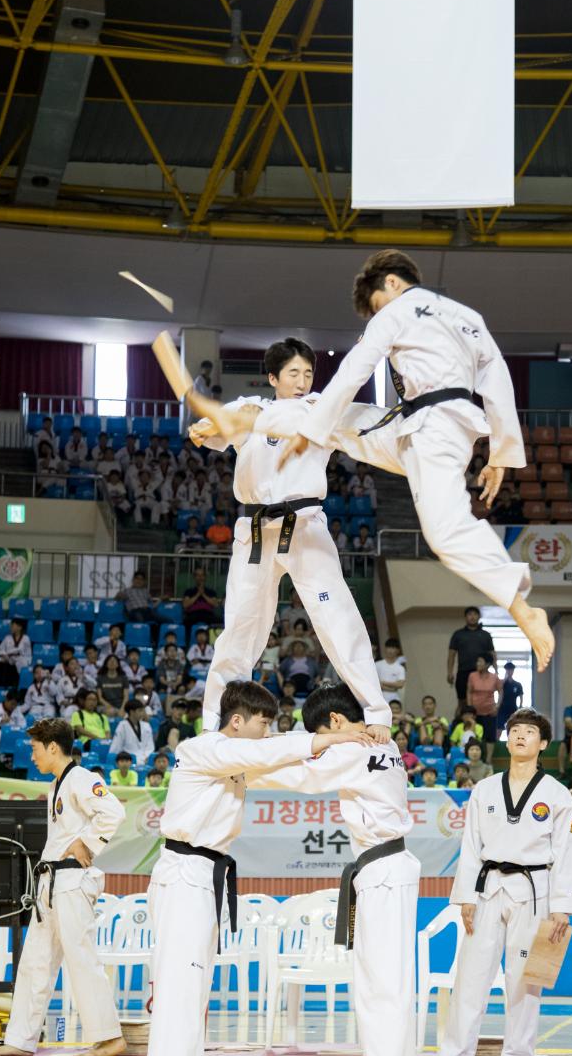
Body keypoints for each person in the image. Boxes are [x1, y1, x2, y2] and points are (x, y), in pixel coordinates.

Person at [243, 251, 553, 671]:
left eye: (374, 305)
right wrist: (500, 451)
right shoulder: (467, 315)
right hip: (423, 427)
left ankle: (520, 607)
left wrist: (313, 431)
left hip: (430, 427)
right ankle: (242, 420)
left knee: (444, 532)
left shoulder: (397, 310)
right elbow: (497, 379)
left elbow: (355, 370)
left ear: (390, 283)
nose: (376, 314)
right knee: (335, 418)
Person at [143, 680, 370, 1056]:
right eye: (263, 723)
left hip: (206, 876)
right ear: (236, 721)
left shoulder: (240, 759)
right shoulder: (201, 749)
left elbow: (296, 773)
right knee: (178, 985)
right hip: (184, 873)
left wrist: (347, 754)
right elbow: (268, 753)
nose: (268, 732)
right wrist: (332, 735)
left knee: (197, 986)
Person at [188, 337, 391, 744]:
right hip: (256, 530)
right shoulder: (249, 409)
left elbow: (370, 422)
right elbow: (208, 432)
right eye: (293, 374)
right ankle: (216, 721)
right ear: (272, 378)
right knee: (241, 626)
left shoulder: (322, 410)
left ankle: (375, 710)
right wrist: (203, 427)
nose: (302, 381)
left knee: (338, 617)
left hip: (305, 525)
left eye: (308, 373)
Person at [248, 684, 419, 1056]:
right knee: (388, 985)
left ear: (337, 724)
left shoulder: (358, 747)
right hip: (385, 867)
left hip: (382, 870)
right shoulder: (384, 744)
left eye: (323, 735)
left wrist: (239, 763)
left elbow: (302, 775)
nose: (324, 744)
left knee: (379, 987)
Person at [425, 708, 572, 1056]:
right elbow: (469, 845)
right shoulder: (485, 789)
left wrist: (563, 907)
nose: (520, 737)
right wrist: (465, 896)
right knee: (470, 973)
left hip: (533, 889)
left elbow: (565, 850)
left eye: (529, 732)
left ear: (543, 743)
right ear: (506, 739)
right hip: (488, 886)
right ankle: (454, 1053)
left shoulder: (556, 794)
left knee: (525, 979)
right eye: (515, 731)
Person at [0, 719, 126, 1056]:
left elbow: (114, 812)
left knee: (81, 959)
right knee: (35, 962)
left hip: (72, 882)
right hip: (51, 883)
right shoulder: (57, 785)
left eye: (34, 748)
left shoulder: (81, 778)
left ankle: (109, 1038)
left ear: (52, 746)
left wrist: (87, 841)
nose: (30, 755)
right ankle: (20, 1038)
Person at [447, 608, 496, 708]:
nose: (472, 617)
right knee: (462, 702)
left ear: (479, 617)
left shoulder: (485, 635)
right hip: (463, 672)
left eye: (475, 614)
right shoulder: (458, 634)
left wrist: (496, 671)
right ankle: (460, 723)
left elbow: (492, 654)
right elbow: (451, 655)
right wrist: (449, 672)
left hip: (482, 673)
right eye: (470, 614)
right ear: (465, 617)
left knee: (481, 701)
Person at [466, 655, 503, 760]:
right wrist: (469, 708)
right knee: (475, 736)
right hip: (475, 712)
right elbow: (469, 691)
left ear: (487, 664)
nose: (478, 664)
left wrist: (497, 706)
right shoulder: (472, 676)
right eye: (477, 662)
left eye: (480, 662)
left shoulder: (494, 677)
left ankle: (488, 760)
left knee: (490, 737)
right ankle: (475, 758)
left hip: (490, 712)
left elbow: (501, 691)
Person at [0, 618, 32, 687]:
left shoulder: (26, 638)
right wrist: (4, 655)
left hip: (20, 660)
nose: (11, 627)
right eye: (11, 626)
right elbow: (1, 649)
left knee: (19, 664)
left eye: (13, 626)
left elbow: (28, 653)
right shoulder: (7, 637)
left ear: (19, 627)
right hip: (7, 658)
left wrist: (18, 656)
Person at [109, 699, 155, 766]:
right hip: (129, 761)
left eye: (143, 710)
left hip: (146, 759)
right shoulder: (122, 726)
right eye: (140, 711)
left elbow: (150, 746)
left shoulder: (146, 726)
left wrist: (147, 757)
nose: (142, 713)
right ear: (131, 712)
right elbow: (116, 747)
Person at [0, 689, 25, 754]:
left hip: (12, 733)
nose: (13, 706)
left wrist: (16, 728)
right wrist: (1, 720)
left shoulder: (17, 710)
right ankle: (3, 756)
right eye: (12, 704)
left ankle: (13, 756)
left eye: (16, 705)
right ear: (6, 700)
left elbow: (23, 724)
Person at [374, 637, 406, 706]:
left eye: (393, 648)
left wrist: (383, 683)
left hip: (394, 699)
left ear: (398, 650)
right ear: (385, 649)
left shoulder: (400, 668)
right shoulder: (377, 664)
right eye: (389, 647)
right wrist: (393, 688)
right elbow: (374, 683)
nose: (390, 650)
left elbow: (400, 685)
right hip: (378, 697)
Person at [97, 654, 129, 720]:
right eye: (110, 661)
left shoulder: (123, 678)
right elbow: (100, 698)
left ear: (118, 664)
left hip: (120, 705)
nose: (112, 663)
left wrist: (122, 709)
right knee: (111, 712)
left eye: (114, 661)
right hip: (105, 706)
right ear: (106, 664)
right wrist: (112, 708)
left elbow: (126, 697)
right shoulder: (100, 678)